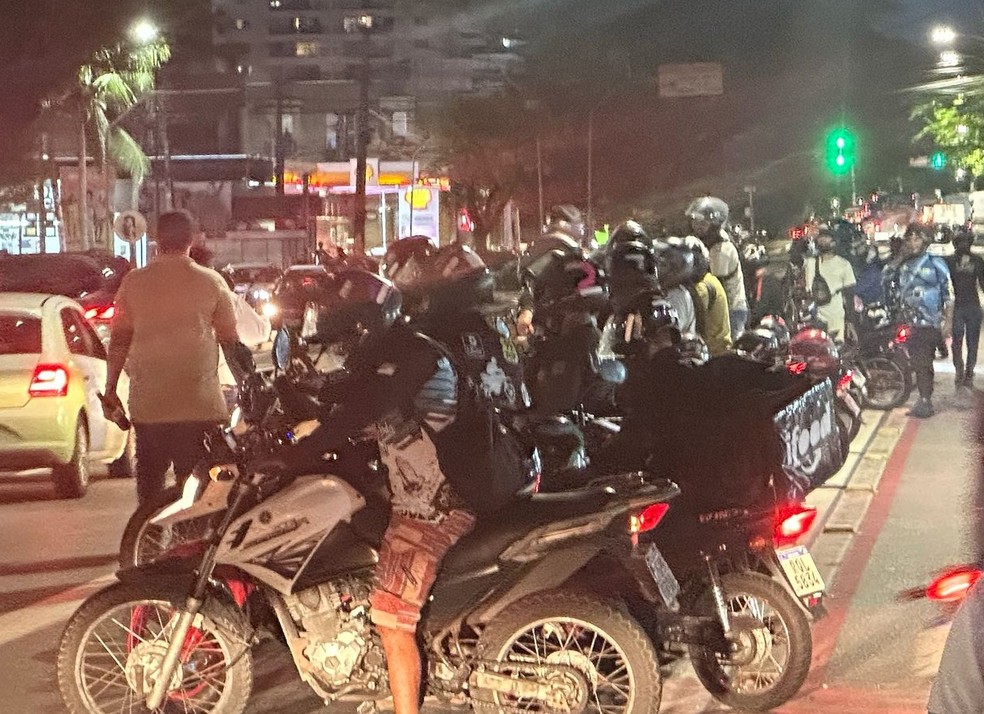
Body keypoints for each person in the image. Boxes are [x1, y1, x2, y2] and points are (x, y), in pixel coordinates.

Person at [261, 270, 527, 714]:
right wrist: (298, 399)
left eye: (343, 331)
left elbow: (360, 410)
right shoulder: (398, 351)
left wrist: (293, 454)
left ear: (364, 326)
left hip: (440, 504)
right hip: (423, 492)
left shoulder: (412, 358)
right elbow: (347, 395)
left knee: (390, 618)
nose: (336, 343)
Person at [102, 211, 241, 505]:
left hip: (150, 407)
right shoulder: (211, 282)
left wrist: (111, 389)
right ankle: (188, 545)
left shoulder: (133, 283)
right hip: (200, 405)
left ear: (156, 239)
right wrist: (247, 383)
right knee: (196, 490)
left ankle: (148, 542)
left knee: (150, 490)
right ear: (192, 240)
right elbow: (231, 343)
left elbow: (119, 342)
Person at [189, 243, 272, 406]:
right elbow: (257, 332)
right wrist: (263, 316)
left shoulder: (165, 301)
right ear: (210, 269)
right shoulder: (224, 298)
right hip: (219, 386)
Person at [891, 223, 954, 418]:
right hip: (907, 322)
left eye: (917, 237)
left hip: (928, 323)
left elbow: (949, 294)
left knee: (922, 361)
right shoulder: (902, 264)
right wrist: (899, 258)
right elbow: (886, 280)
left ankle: (926, 401)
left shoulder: (936, 263)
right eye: (909, 238)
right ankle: (923, 398)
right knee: (915, 362)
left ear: (926, 240)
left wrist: (948, 322)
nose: (912, 241)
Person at [516, 205, 586, 337]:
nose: (582, 226)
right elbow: (531, 279)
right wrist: (527, 311)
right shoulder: (562, 249)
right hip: (563, 327)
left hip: (540, 327)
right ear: (565, 225)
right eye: (579, 222)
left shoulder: (534, 249)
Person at [685, 196, 748, 338]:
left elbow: (711, 282)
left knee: (724, 353)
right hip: (713, 307)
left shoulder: (724, 249)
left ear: (714, 224)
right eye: (695, 221)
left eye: (703, 223)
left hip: (731, 309)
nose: (698, 226)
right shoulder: (700, 243)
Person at [668, 235, 732, 355]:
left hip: (713, 352)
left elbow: (690, 324)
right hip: (717, 348)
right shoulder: (710, 279)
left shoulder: (701, 288)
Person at [803, 226, 857, 342]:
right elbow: (795, 256)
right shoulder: (810, 263)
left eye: (826, 238)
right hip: (815, 319)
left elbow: (849, 296)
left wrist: (850, 322)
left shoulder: (843, 264)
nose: (823, 240)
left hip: (836, 320)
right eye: (821, 238)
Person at [946, 228, 984, 390]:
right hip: (958, 306)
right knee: (957, 341)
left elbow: (983, 283)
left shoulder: (978, 261)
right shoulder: (949, 261)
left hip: (972, 306)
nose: (963, 245)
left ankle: (968, 372)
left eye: (966, 242)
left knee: (972, 342)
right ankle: (959, 370)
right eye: (960, 242)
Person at [744, 242, 785, 326]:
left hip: (768, 324)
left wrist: (748, 321)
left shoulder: (766, 282)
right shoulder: (756, 282)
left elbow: (760, 308)